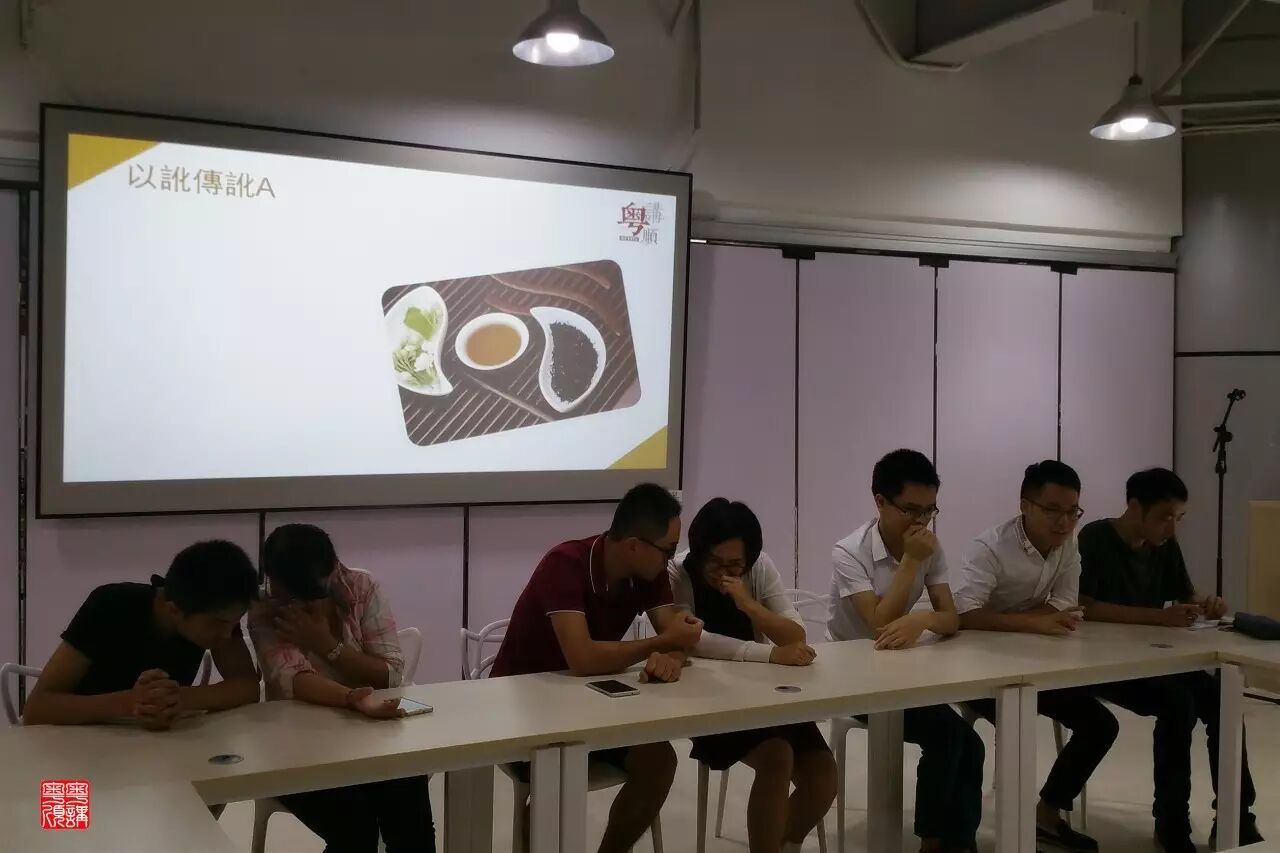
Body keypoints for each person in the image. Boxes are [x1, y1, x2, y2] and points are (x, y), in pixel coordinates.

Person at [490, 483, 702, 853]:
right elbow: (583, 659)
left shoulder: (648, 573)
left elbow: (674, 634)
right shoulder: (565, 563)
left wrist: (673, 656)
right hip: (523, 707)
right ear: (634, 545)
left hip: (590, 706)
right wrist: (660, 644)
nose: (670, 560)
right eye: (667, 550)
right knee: (558, 770)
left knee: (659, 761)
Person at [1079, 467, 1262, 852]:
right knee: (1178, 704)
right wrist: (1157, 617)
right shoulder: (1094, 539)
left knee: (1221, 698)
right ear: (1134, 507)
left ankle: (1237, 816)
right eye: (1164, 517)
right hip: (1104, 662)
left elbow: (1183, 591)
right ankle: (1171, 821)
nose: (1171, 527)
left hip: (1154, 656)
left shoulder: (1163, 544)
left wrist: (1205, 602)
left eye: (1178, 518)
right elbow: (1086, 607)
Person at [826, 449, 984, 853]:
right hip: (852, 676)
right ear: (880, 501)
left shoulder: (929, 546)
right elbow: (878, 623)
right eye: (911, 510)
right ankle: (934, 842)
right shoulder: (849, 551)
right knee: (950, 737)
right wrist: (912, 561)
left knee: (970, 744)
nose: (921, 521)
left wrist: (923, 619)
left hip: (904, 672)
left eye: (929, 511)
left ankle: (956, 843)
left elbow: (951, 618)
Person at [956, 460, 1118, 853]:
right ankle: (974, 835)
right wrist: (1035, 623)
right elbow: (967, 615)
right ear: (1025, 506)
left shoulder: (1068, 546)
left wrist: (1027, 622)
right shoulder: (990, 547)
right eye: (1053, 510)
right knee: (1015, 722)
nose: (1064, 522)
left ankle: (1046, 815)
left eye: (1073, 512)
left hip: (1037, 665)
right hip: (979, 668)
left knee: (1101, 724)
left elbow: (1065, 605)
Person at [249, 523, 434, 853]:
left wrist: (326, 645)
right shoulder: (264, 607)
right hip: (296, 746)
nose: (299, 607)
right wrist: (351, 698)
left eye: (311, 597)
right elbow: (294, 679)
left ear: (334, 570)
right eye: (288, 597)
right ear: (271, 580)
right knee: (355, 828)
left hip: (369, 736)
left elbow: (390, 674)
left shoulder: (361, 586)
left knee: (410, 810)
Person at [669, 498, 836, 853]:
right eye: (715, 563)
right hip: (709, 701)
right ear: (699, 552)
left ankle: (782, 843)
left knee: (823, 777)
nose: (724, 573)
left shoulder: (758, 568)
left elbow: (796, 634)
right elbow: (693, 639)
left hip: (766, 695)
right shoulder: (679, 572)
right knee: (778, 756)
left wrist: (748, 604)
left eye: (735, 565)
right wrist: (770, 654)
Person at [24, 540, 259, 729]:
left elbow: (247, 686)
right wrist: (131, 702)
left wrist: (179, 698)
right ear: (173, 610)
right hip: (79, 745)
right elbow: (37, 709)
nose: (227, 634)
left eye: (235, 622)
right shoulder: (110, 605)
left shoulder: (215, 614)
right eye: (218, 623)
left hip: (153, 750)